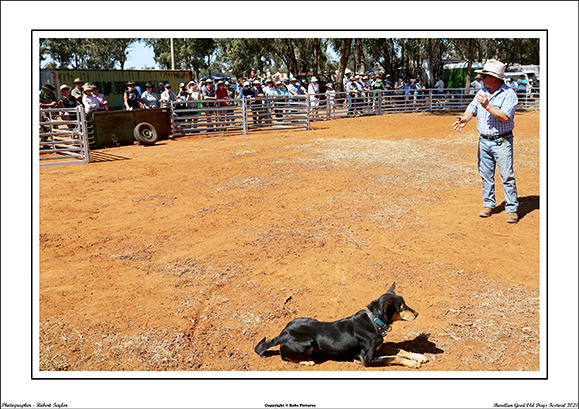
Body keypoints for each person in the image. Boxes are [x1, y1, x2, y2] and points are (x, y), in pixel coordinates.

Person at [452, 59, 519, 223]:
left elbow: (505, 117)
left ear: (494, 78)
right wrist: (465, 119)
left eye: (483, 76)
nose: (481, 78)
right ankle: (488, 204)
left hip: (502, 141)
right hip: (484, 141)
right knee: (486, 175)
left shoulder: (509, 94)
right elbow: (471, 108)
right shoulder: (482, 92)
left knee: (507, 176)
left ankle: (511, 208)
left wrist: (488, 106)